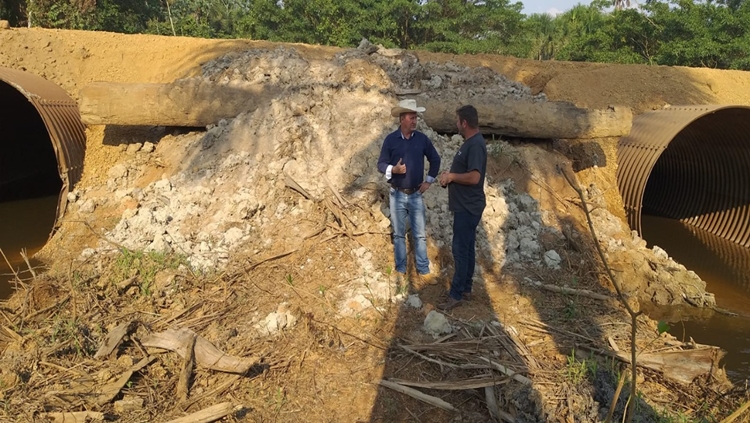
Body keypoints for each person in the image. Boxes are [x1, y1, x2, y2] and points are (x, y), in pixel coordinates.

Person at [377, 99, 441, 284]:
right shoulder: (391, 140)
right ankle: (400, 269)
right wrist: (393, 170)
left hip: (415, 194)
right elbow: (380, 164)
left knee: (419, 234)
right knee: (398, 234)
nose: (414, 121)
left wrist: (429, 181)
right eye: (411, 118)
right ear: (402, 119)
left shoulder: (422, 139)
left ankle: (423, 269)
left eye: (415, 118)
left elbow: (435, 159)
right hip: (396, 194)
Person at [438, 105, 487, 311]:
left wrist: (452, 176)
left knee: (460, 249)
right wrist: (452, 175)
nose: (456, 124)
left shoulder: (474, 145)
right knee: (466, 248)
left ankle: (456, 294)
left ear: (464, 123)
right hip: (466, 205)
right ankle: (466, 288)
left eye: (457, 121)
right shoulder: (471, 143)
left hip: (468, 207)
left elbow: (475, 177)